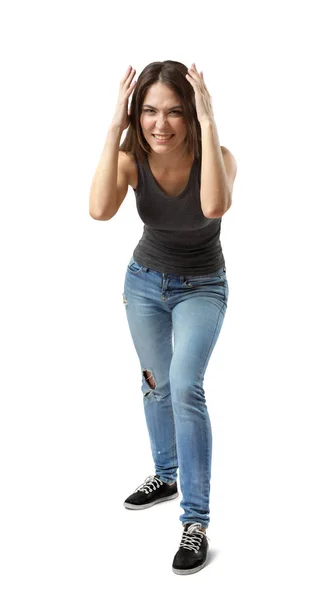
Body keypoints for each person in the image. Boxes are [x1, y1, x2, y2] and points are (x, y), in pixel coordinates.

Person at [89, 60, 237, 575]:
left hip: (202, 286)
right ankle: (164, 473)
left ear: (191, 115)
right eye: (149, 111)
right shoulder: (131, 158)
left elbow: (214, 206)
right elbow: (99, 210)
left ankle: (195, 521)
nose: (160, 123)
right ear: (137, 114)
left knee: (184, 386)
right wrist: (113, 129)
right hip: (144, 284)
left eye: (176, 111)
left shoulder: (219, 158)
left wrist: (211, 120)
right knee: (155, 384)